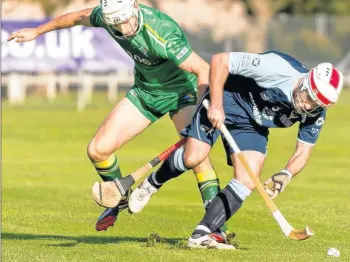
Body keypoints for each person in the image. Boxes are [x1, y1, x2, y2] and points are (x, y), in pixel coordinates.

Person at [7, 0, 228, 238]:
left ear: (134, 6)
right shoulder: (107, 17)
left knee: (197, 157)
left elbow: (202, 70)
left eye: (125, 21)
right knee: (97, 150)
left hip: (182, 93)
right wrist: (38, 31)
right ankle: (119, 197)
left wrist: (202, 109)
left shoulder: (161, 32)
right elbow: (76, 17)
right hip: (146, 92)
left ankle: (215, 229)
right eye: (116, 25)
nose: (124, 29)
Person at [128, 50, 343, 249]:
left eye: (315, 104)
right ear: (305, 82)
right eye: (308, 97)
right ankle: (152, 184)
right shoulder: (276, 68)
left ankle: (201, 234)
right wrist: (217, 105)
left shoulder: (315, 111)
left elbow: (303, 151)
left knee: (248, 179)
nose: (307, 106)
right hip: (228, 98)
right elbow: (219, 60)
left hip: (251, 125)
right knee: (193, 157)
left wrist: (285, 175)